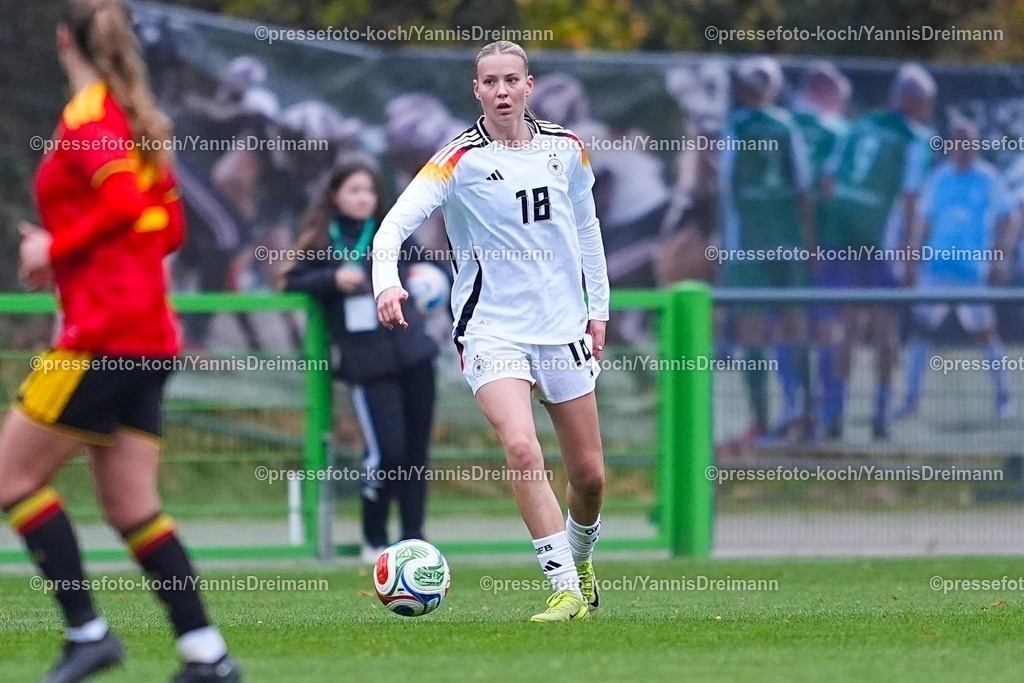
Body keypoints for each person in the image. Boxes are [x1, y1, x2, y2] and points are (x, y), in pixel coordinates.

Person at [1, 1, 241, 681]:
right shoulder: (134, 121)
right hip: (148, 337)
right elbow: (167, 228)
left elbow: (126, 207)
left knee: (11, 477)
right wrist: (89, 257)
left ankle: (88, 632)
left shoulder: (90, 120)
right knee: (132, 506)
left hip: (101, 337)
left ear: (62, 41)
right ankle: (207, 654)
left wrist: (54, 248)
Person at [373, 40, 609, 622]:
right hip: (492, 331)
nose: (502, 91)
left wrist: (598, 309)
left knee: (590, 477)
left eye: (511, 80)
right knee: (522, 448)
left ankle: (580, 562)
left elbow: (588, 230)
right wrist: (386, 283)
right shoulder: (457, 159)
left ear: (530, 85)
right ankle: (564, 589)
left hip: (562, 329)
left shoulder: (566, 148)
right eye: (490, 82)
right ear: (475, 90)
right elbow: (392, 227)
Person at [283, 156, 439, 564]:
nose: (363, 198)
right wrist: (332, 280)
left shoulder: (392, 234)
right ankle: (375, 538)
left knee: (415, 453)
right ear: (335, 195)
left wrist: (428, 280)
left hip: (414, 354)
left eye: (369, 190)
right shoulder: (321, 241)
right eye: (353, 190)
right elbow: (291, 281)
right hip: (367, 365)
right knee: (387, 453)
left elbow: (430, 269)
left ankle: (414, 539)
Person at [817, 63, 935, 440]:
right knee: (886, 332)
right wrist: (910, 259)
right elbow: (911, 200)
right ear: (912, 100)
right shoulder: (915, 138)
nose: (928, 110)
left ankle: (835, 415)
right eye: (926, 102)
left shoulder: (859, 125)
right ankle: (880, 417)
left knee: (847, 329)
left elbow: (827, 182)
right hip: (881, 245)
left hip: (841, 238)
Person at [720, 56, 816, 444]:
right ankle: (804, 414)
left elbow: (725, 188)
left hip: (748, 245)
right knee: (795, 328)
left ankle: (763, 420)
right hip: (788, 242)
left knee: (753, 332)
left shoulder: (735, 127)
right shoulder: (788, 126)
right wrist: (809, 244)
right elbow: (803, 189)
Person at [897, 119, 1018, 419]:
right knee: (920, 332)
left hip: (971, 272)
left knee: (985, 333)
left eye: (969, 142)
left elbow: (1010, 216)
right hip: (936, 270)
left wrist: (1001, 257)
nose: (963, 148)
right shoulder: (939, 178)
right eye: (958, 142)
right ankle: (911, 400)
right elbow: (921, 220)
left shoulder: (988, 179)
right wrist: (911, 259)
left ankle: (1003, 399)